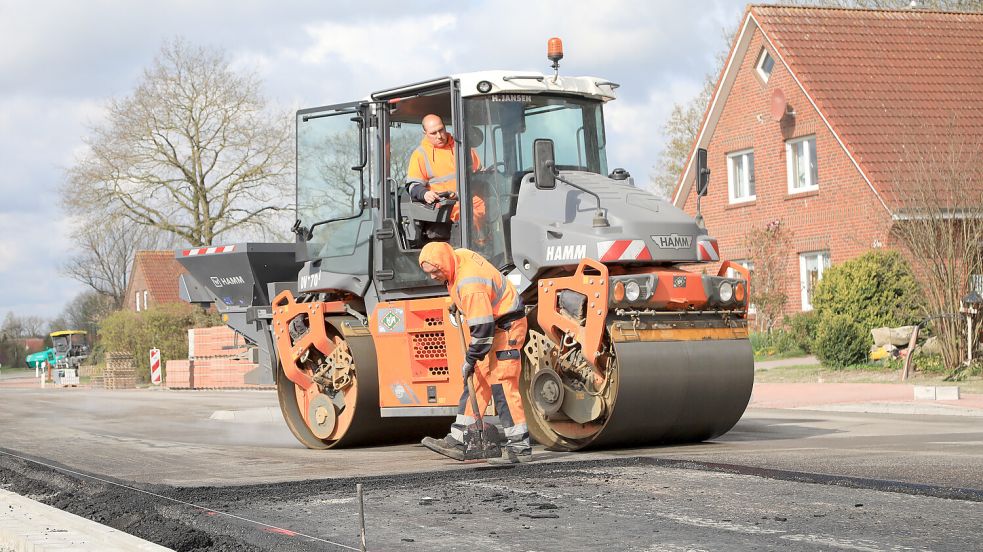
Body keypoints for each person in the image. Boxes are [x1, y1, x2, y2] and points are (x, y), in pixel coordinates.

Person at [418, 241, 531, 464]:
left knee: (503, 385)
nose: (433, 277)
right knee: (477, 380)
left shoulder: (470, 285)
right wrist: (455, 302)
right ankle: (461, 439)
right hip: (495, 325)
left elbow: (482, 330)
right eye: (428, 273)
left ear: (444, 264)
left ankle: (519, 449)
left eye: (435, 272)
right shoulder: (457, 257)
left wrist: (470, 359)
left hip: (506, 328)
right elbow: (464, 285)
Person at [406, 114, 486, 237]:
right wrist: (425, 193)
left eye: (441, 130)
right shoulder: (420, 155)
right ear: (425, 132)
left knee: (494, 211)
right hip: (444, 207)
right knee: (467, 219)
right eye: (433, 133)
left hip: (470, 201)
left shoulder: (462, 148)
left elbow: (479, 175)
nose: (439, 136)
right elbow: (413, 186)